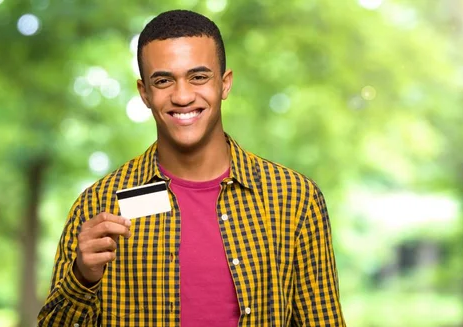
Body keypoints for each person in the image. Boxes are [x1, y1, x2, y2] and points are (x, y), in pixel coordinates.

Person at [38, 9, 345, 327]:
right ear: (145, 93)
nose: (182, 96)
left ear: (224, 84)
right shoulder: (99, 204)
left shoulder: (294, 198)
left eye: (198, 77)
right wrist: (82, 278)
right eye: (163, 80)